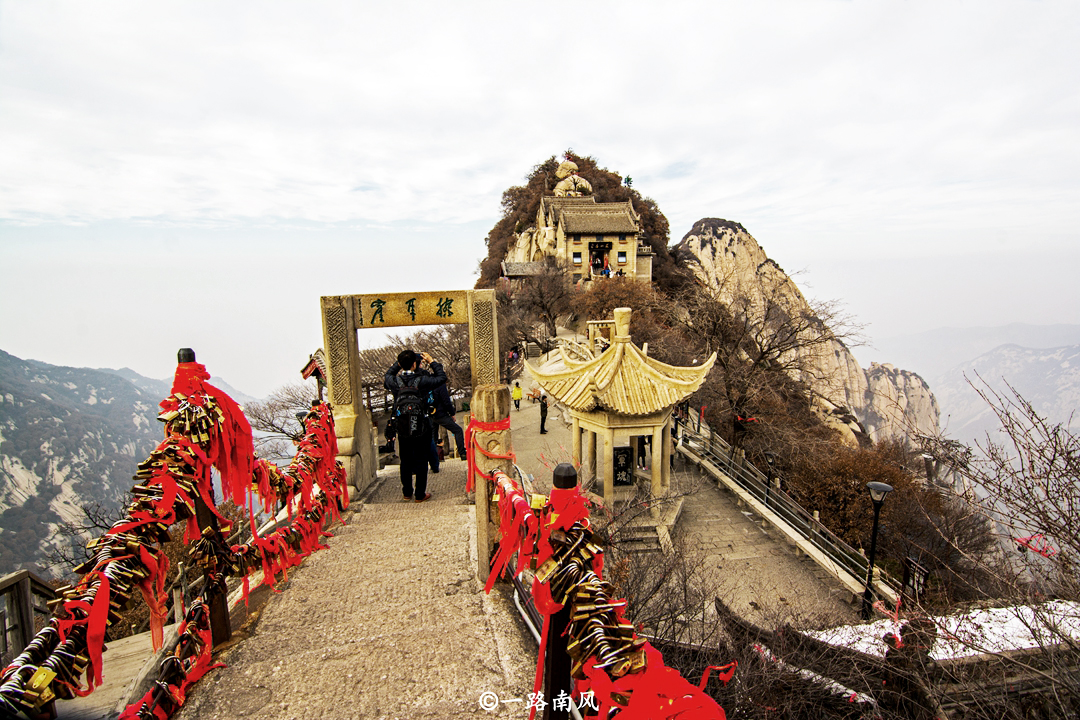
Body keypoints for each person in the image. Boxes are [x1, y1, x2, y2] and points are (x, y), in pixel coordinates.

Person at [385, 349, 446, 503]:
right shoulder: (422, 380)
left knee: (405, 460)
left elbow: (387, 376)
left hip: (403, 426)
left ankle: (407, 493)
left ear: (400, 364)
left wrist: (398, 365)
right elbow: (441, 378)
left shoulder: (395, 382)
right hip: (422, 425)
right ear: (414, 364)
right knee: (421, 459)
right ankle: (420, 494)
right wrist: (432, 361)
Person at [431, 383, 467, 459]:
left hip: (430, 413)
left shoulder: (427, 383)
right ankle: (462, 453)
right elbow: (446, 401)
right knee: (457, 430)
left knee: (433, 436)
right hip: (440, 414)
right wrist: (452, 413)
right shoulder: (440, 385)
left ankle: (434, 457)